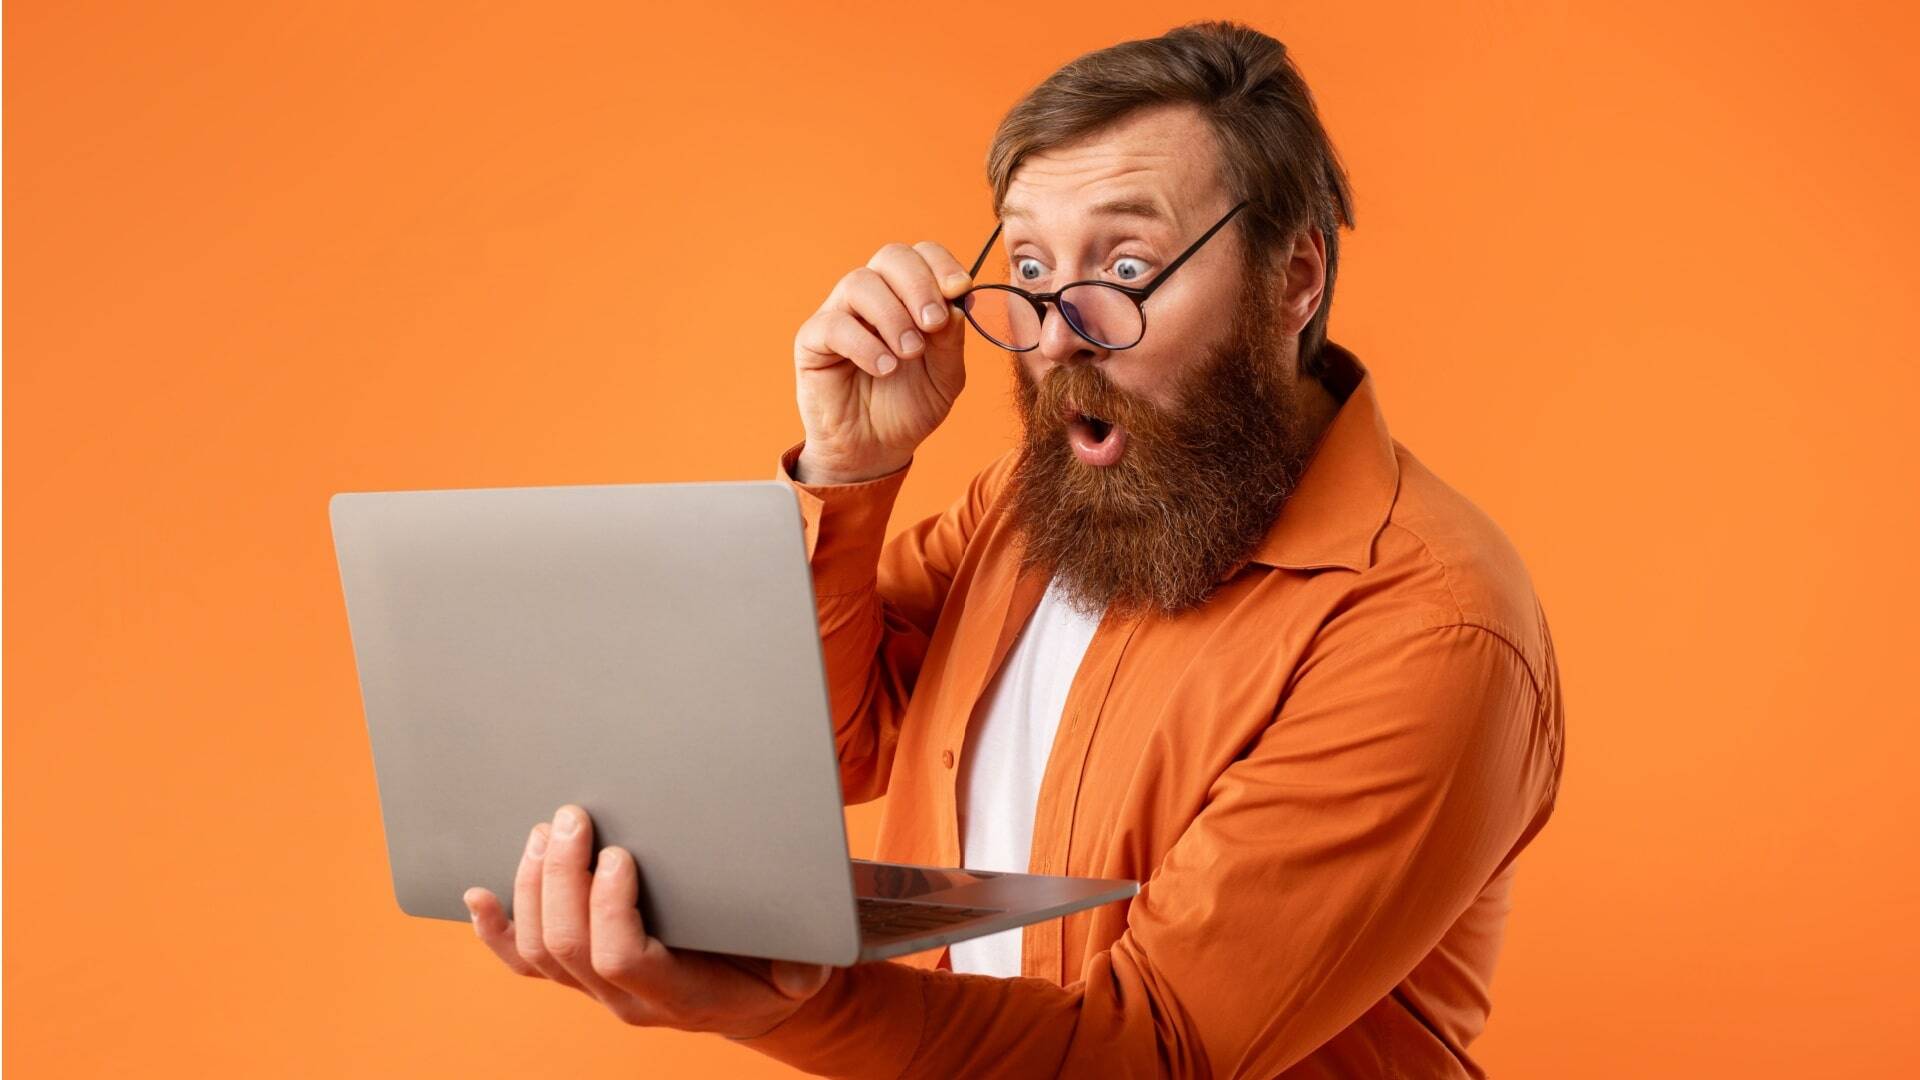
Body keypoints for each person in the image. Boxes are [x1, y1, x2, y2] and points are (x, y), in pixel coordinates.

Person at [461, 20, 1565, 1078]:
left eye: (1125, 270)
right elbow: (827, 752)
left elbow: (1156, 1051)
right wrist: (852, 471)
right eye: (1031, 272)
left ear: (1296, 277)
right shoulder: (1030, 510)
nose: (1053, 334)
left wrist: (787, 1004)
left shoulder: (1430, 626)